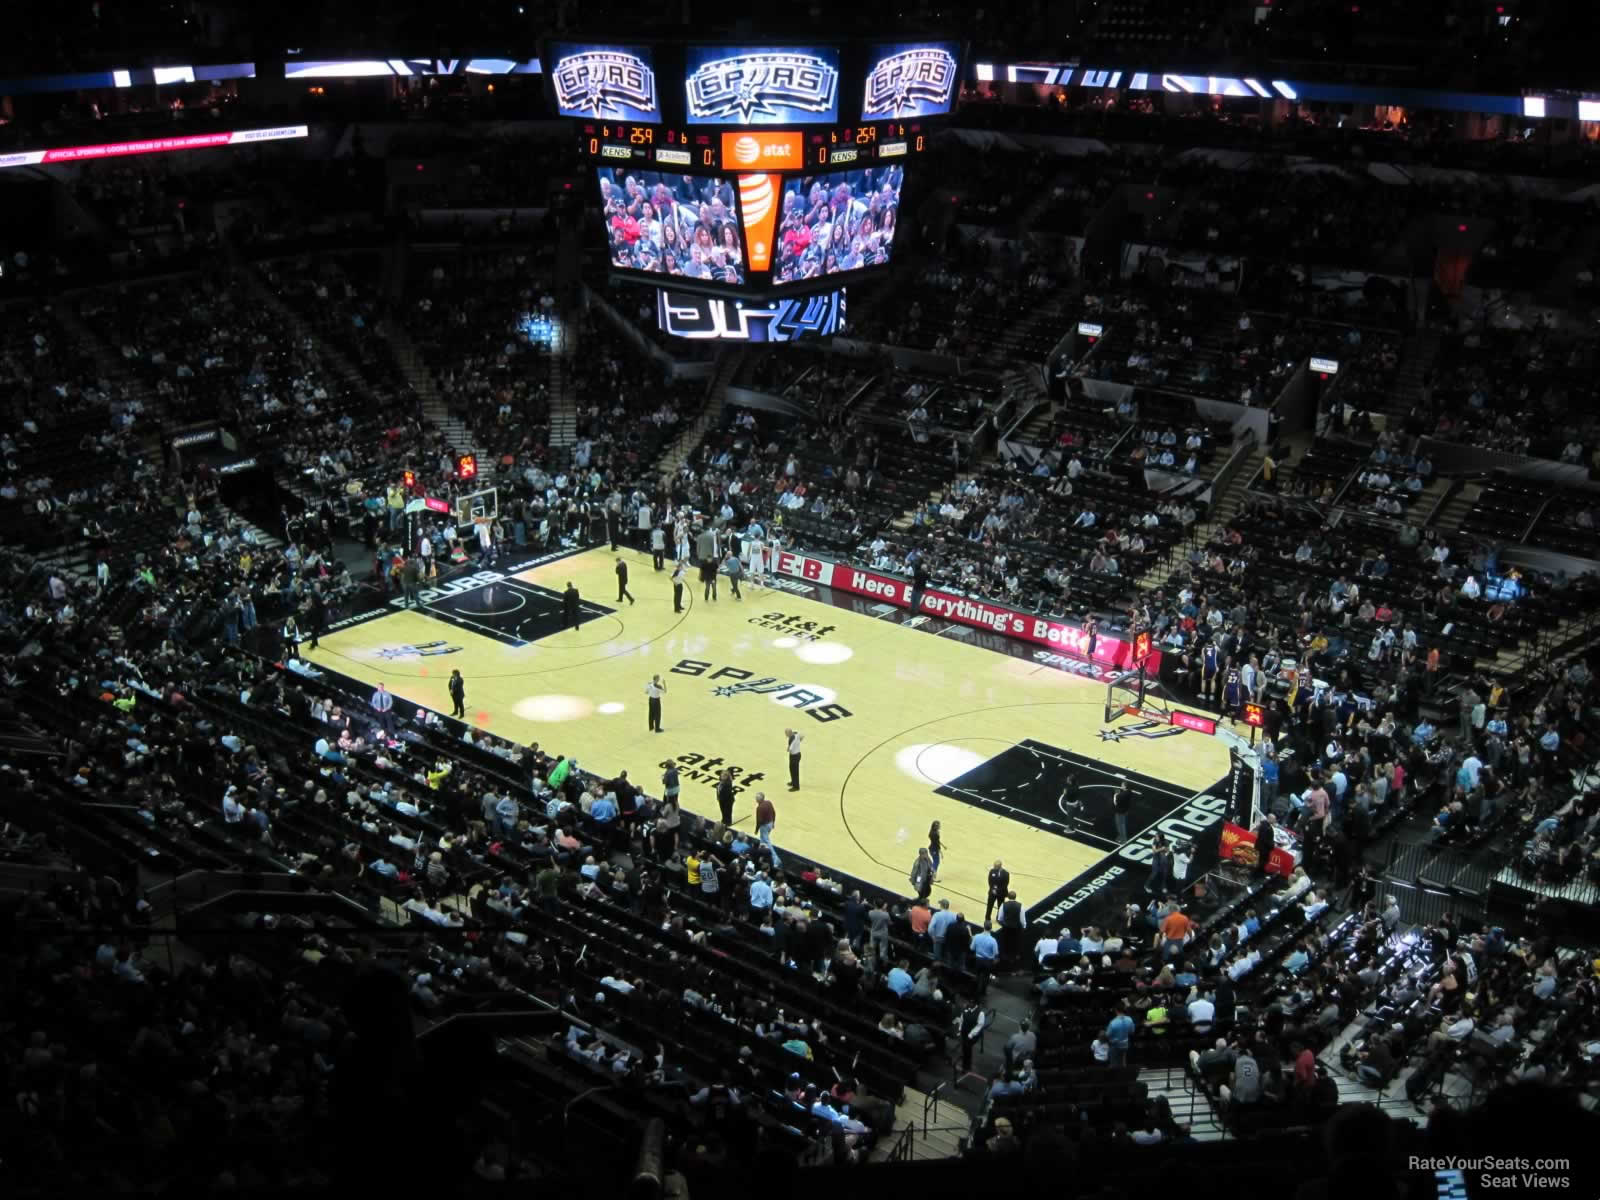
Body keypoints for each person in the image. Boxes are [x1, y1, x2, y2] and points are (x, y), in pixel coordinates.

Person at [753, 791, 778, 865]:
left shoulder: (759, 808)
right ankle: (762, 855)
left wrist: (756, 829)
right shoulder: (769, 802)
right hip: (770, 823)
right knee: (763, 841)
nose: (755, 799)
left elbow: (759, 820)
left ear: (758, 800)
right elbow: (774, 812)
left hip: (764, 826)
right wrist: (773, 822)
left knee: (767, 842)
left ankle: (775, 858)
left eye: (756, 798)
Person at [985, 860, 1010, 924]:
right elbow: (989, 881)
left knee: (1000, 907)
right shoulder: (992, 871)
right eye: (994, 866)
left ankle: (998, 918)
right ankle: (987, 918)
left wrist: (997, 891)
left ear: (999, 866)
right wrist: (992, 889)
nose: (994, 867)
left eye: (995, 866)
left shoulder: (1006, 874)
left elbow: (1005, 885)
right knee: (989, 906)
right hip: (992, 892)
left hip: (1001, 893)